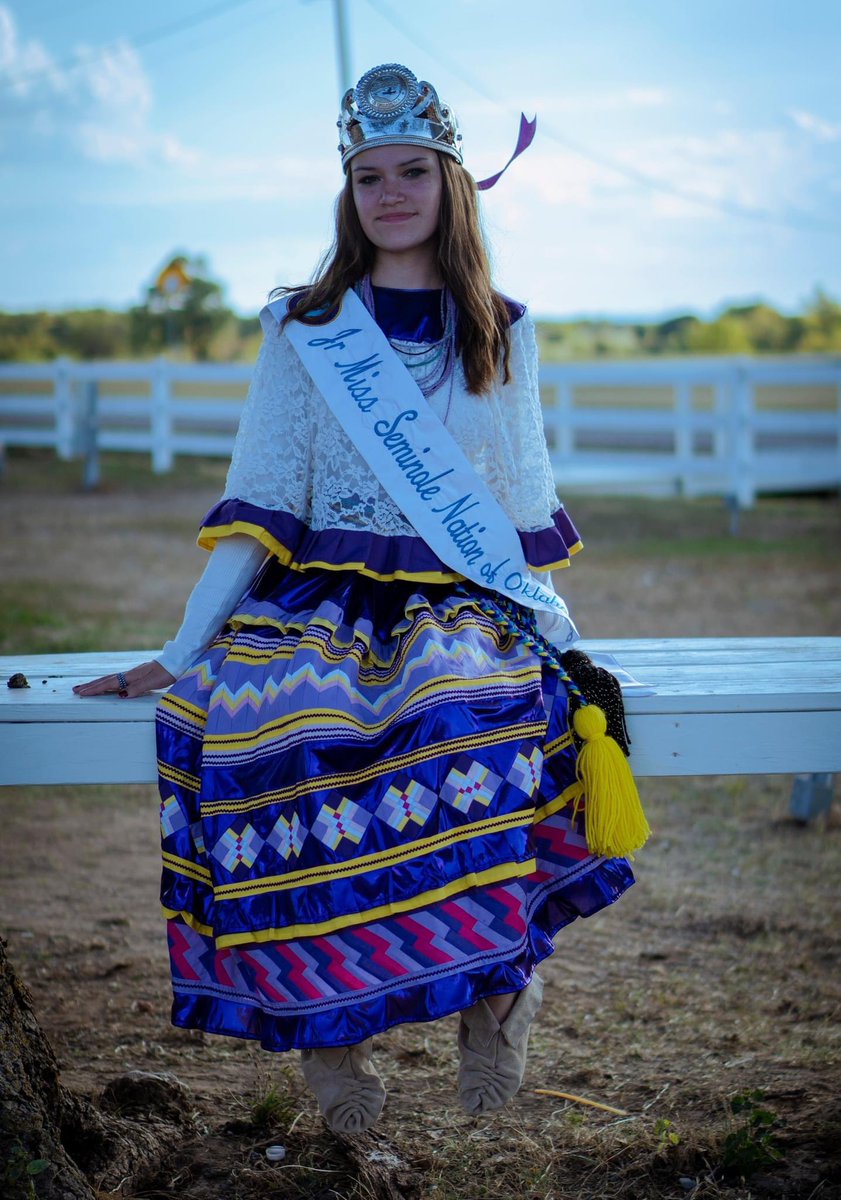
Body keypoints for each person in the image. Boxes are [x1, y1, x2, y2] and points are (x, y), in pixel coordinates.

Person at [74, 63, 646, 1134]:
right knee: (283, 730)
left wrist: (560, 639)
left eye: (412, 173)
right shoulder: (305, 327)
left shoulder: (502, 327)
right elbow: (262, 495)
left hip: (456, 603)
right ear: (348, 191)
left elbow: (520, 505)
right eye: (368, 176)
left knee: (463, 712)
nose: (390, 194)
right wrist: (185, 646)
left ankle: (497, 991)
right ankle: (329, 1034)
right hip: (322, 605)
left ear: (450, 184)